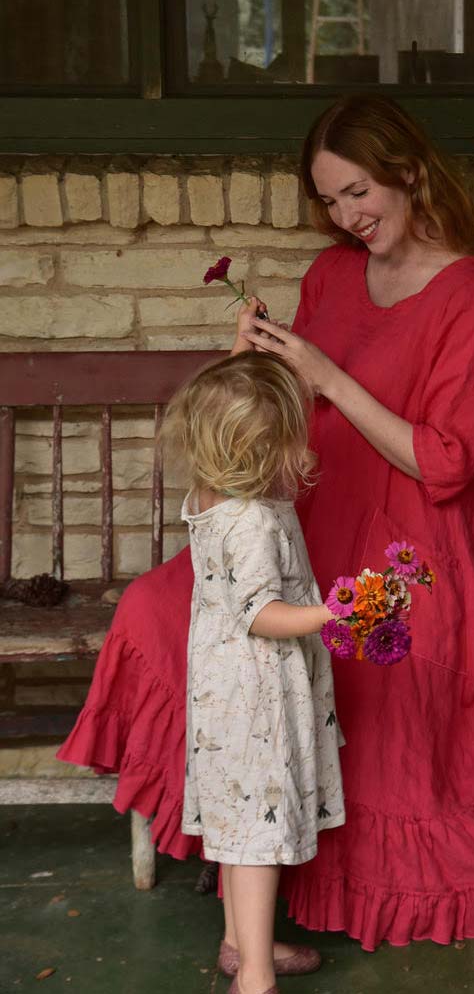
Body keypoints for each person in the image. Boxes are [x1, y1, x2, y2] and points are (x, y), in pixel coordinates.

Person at [60, 93, 474, 957]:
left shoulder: (471, 297)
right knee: (163, 607)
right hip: (304, 510)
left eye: (358, 193)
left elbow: (449, 463)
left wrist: (329, 376)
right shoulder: (331, 276)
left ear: (409, 174)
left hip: (416, 531)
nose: (347, 217)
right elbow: (282, 412)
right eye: (330, 199)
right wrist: (253, 364)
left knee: (381, 659)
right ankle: (238, 831)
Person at [161, 352, 344, 994]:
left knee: (239, 829)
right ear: (263, 451)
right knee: (259, 842)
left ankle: (240, 944)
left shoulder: (210, 496)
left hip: (220, 690)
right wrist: (332, 611)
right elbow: (262, 612)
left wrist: (244, 348)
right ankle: (257, 981)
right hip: (257, 693)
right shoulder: (256, 519)